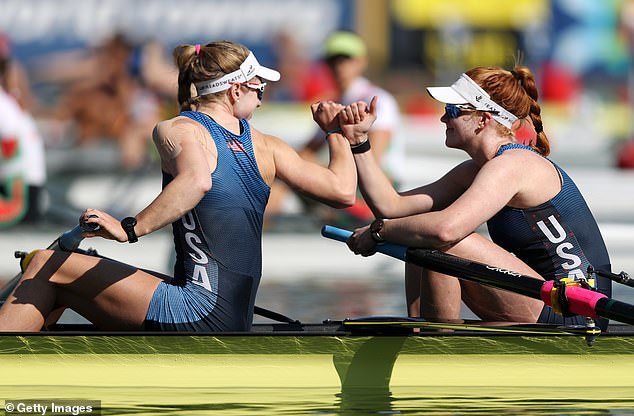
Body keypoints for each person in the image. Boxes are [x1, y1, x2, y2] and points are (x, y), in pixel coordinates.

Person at [0, 40, 361, 332]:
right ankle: (37, 360)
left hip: (196, 311)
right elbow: (343, 190)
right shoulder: (269, 147)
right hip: (233, 316)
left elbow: (197, 180)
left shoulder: (177, 129)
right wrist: (336, 134)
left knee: (47, 263)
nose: (262, 95)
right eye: (259, 87)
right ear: (235, 91)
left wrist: (129, 229)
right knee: (72, 272)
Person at [344, 65, 612, 328]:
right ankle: (418, 331)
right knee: (419, 228)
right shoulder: (478, 169)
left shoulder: (513, 165)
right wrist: (359, 143)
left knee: (441, 241)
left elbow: (445, 231)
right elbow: (391, 206)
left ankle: (436, 345)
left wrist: (379, 232)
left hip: (576, 311)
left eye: (452, 110)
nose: (443, 119)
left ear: (483, 119)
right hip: (547, 300)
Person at [265, 31, 402, 227]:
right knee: (287, 167)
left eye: (346, 59)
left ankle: (254, 228)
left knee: (291, 167)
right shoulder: (336, 102)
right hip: (351, 182)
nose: (339, 66)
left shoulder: (378, 100)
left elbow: (373, 160)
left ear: (362, 62)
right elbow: (308, 149)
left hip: (379, 185)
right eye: (332, 61)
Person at [0, 34, 47, 226]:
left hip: (17, 195)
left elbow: (10, 148)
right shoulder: (8, 102)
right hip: (25, 188)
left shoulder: (5, 104)